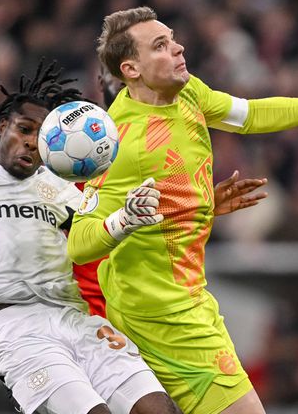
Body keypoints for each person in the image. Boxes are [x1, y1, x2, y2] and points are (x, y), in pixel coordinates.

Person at [67, 6, 298, 414]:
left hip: (187, 294)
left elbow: (247, 116)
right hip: (160, 312)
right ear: (132, 68)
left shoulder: (188, 93)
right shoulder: (121, 142)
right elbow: (79, 243)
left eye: (173, 37)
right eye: (161, 45)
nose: (178, 48)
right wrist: (122, 219)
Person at [0, 59, 187, 414]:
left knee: (158, 408)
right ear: (3, 126)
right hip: (15, 328)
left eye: (42, 136)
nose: (31, 143)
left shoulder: (58, 187)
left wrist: (124, 219)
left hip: (75, 318)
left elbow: (92, 238)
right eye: (24, 129)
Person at [72, 66, 269, 318]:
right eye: (121, 74)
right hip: (93, 316)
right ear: (102, 82)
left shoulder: (165, 146)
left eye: (142, 72)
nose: (132, 81)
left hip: (153, 307)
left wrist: (202, 207)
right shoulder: (79, 157)